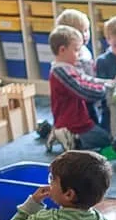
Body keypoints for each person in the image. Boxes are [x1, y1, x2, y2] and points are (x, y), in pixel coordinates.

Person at [44, 21, 112, 152]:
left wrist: (106, 82)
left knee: (101, 134)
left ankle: (57, 132)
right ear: (62, 50)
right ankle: (72, 138)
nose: (79, 54)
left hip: (78, 119)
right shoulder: (61, 71)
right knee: (106, 139)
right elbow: (82, 90)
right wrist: (104, 91)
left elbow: (86, 79)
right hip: (74, 123)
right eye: (76, 50)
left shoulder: (68, 67)